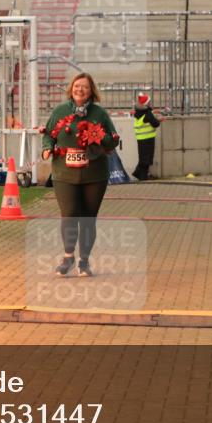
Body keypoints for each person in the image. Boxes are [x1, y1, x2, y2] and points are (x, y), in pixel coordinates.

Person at [42, 72, 119, 277]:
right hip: (64, 173)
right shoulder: (60, 111)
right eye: (77, 86)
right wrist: (47, 148)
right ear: (71, 88)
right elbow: (49, 134)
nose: (80, 90)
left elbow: (112, 140)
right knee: (69, 215)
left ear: (91, 90)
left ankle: (84, 261)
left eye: (84, 87)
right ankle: (68, 256)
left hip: (94, 174)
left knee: (87, 218)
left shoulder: (99, 114)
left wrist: (105, 138)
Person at [132, 92, 162, 180]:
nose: (150, 103)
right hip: (147, 138)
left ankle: (139, 174)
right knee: (147, 159)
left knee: (143, 158)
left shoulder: (138, 112)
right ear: (146, 104)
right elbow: (155, 124)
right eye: (149, 102)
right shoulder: (147, 113)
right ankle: (142, 176)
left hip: (141, 138)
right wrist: (159, 120)